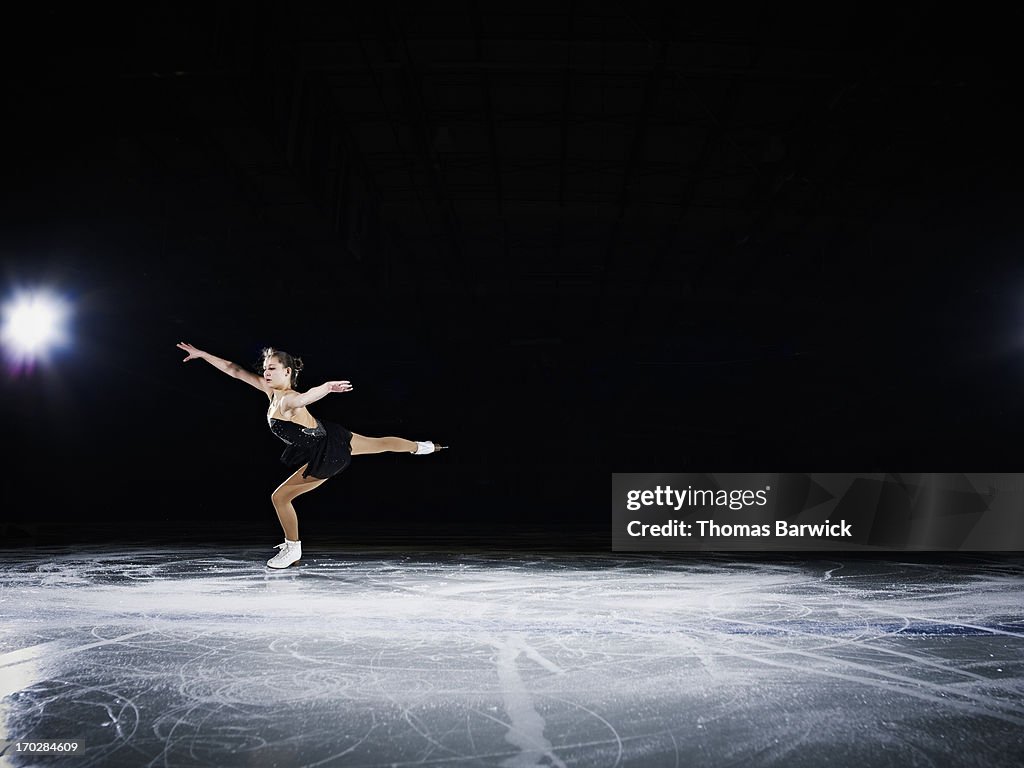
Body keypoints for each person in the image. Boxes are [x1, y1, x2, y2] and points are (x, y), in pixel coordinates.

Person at [176, 342, 445, 568]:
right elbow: (234, 370)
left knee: (280, 497)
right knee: (380, 443)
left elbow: (304, 398)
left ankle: (293, 549)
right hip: (331, 437)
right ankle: (424, 446)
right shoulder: (271, 391)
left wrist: (326, 388)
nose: (266, 373)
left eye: (272, 368)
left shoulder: (287, 399)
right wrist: (203, 354)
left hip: (327, 455)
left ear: (287, 371)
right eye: (265, 368)